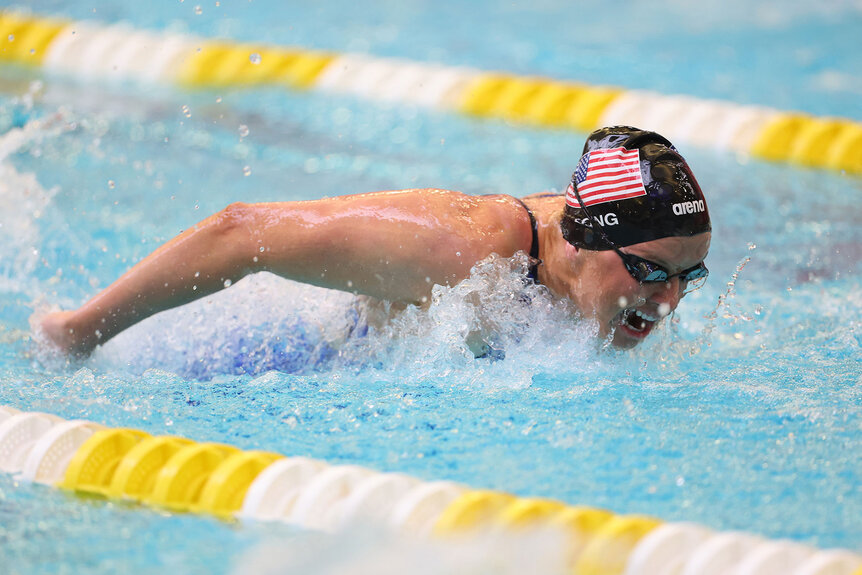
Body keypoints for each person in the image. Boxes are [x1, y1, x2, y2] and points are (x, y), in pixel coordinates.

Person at [38, 126, 711, 357]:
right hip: (287, 364)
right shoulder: (467, 250)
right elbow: (242, 231)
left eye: (690, 276)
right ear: (582, 240)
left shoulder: (605, 278)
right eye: (653, 274)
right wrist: (78, 332)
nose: (671, 301)